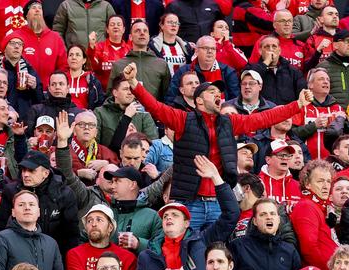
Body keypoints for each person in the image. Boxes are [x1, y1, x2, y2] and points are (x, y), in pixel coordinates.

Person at [122, 61, 313, 229]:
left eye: (219, 92)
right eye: (211, 92)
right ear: (198, 100)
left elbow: (264, 118)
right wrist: (133, 84)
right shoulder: (183, 119)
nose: (218, 95)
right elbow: (156, 107)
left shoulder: (229, 122)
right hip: (190, 202)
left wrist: (297, 105)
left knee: (217, 254)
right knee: (188, 253)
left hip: (218, 202)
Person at [131, 156, 239, 270]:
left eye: (175, 215)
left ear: (187, 223)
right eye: (165, 215)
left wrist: (216, 178)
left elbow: (231, 215)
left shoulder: (202, 242)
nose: (169, 218)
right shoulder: (148, 254)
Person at [0, 150, 80, 255]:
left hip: (53, 254)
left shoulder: (64, 194)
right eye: (23, 170)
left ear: (46, 173)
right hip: (17, 252)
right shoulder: (11, 191)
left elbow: (71, 235)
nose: (25, 174)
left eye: (31, 170)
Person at [229, 198, 301, 270]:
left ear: (278, 219)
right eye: (263, 214)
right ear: (255, 221)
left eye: (273, 213)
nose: (269, 217)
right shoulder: (237, 247)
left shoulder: (290, 251)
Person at [66, 205, 137, 270]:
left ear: (110, 227)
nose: (93, 224)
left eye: (99, 220)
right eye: (89, 221)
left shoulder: (127, 257)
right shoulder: (75, 254)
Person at [4, 0, 68, 90]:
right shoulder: (16, 37)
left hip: (48, 91)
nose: (37, 10)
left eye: (40, 8)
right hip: (22, 91)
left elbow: (64, 66)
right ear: (26, 15)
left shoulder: (55, 38)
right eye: (33, 8)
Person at [290, 160, 338, 270]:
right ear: (307, 184)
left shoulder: (320, 207)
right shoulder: (306, 206)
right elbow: (309, 249)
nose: (326, 186)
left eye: (328, 181)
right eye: (320, 181)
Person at [102, 164, 163, 254]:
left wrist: (139, 244)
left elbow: (160, 249)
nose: (112, 186)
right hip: (104, 266)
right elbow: (85, 238)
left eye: (117, 181)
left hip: (137, 267)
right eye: (112, 182)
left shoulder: (152, 216)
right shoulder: (104, 212)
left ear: (132, 185)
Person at [107, 20, 170, 101]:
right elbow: (110, 97)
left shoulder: (161, 64)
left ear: (149, 36)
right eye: (137, 31)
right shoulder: (118, 65)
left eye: (145, 31)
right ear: (130, 37)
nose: (142, 33)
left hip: (152, 112)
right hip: (125, 112)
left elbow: (167, 96)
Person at [94, 75, 157, 151]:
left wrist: (136, 138)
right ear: (115, 93)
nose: (130, 93)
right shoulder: (100, 113)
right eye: (125, 89)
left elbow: (153, 145)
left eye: (131, 89)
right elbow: (95, 145)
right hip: (108, 160)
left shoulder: (143, 114)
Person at [243, 35, 307, 106]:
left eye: (274, 46)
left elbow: (302, 95)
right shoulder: (251, 68)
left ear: (279, 50)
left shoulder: (293, 72)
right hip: (262, 113)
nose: (271, 49)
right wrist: (266, 63)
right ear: (260, 51)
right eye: (267, 46)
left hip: (287, 113)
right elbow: (249, 80)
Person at [23, 71, 82, 138]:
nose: (57, 87)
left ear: (68, 88)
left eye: (61, 84)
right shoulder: (36, 110)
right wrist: (31, 143)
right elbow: (26, 137)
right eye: (53, 84)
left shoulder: (78, 114)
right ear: (49, 88)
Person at [317, 29, 349, 106]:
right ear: (335, 45)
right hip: (333, 114)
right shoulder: (323, 67)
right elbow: (318, 94)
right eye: (347, 41)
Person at [68, 111, 118, 185]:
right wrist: (77, 173)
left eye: (91, 125)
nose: (87, 128)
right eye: (82, 124)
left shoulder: (105, 151)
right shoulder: (64, 151)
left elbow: (119, 168)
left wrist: (107, 164)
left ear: (96, 133)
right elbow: (58, 173)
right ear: (74, 130)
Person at [86, 15, 130, 88]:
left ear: (124, 29)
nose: (115, 26)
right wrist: (91, 46)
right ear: (107, 29)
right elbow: (91, 66)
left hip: (124, 93)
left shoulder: (129, 50)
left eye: (119, 24)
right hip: (102, 93)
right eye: (112, 24)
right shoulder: (98, 47)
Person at [258, 139, 302, 206]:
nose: (285, 158)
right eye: (280, 155)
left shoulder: (298, 186)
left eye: (288, 155)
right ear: (268, 160)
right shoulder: (257, 183)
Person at [64, 45, 105, 110]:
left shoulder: (92, 80)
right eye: (71, 55)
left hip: (86, 118)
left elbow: (100, 103)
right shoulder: (61, 78)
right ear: (67, 59)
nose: (74, 57)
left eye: (78, 55)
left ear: (84, 60)